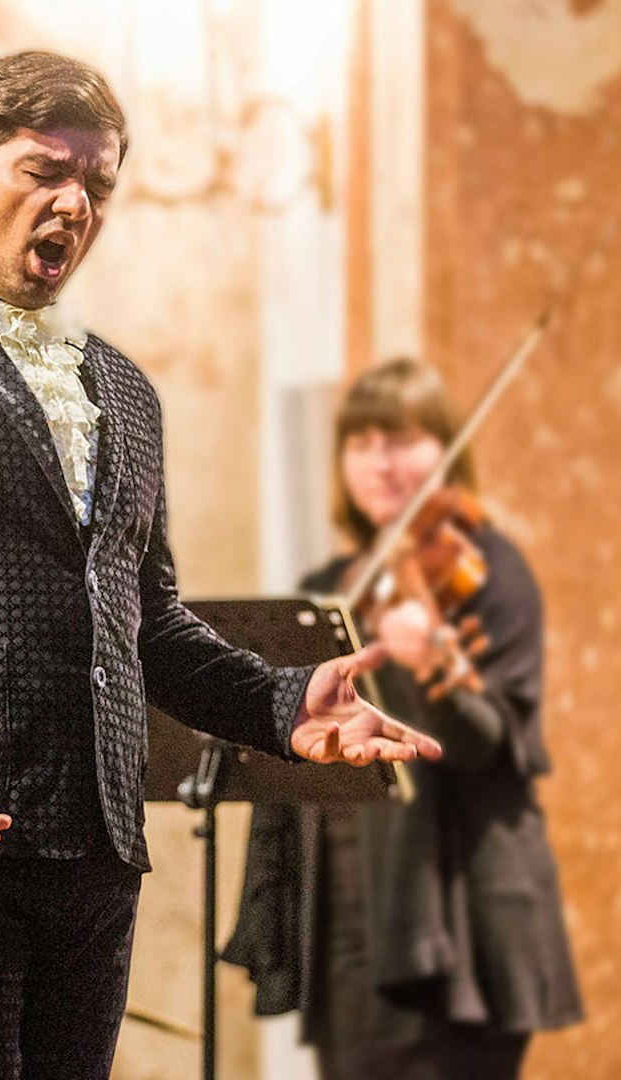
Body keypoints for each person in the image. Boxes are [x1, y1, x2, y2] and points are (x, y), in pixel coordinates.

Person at [0, 50, 443, 1080]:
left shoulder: (121, 388)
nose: (75, 202)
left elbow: (148, 623)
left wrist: (280, 706)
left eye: (99, 183)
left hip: (95, 848)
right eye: (45, 170)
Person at [224, 358, 583, 1079]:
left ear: (446, 449)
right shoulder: (325, 592)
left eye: (403, 440)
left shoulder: (490, 576)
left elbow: (494, 746)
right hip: (348, 921)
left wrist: (432, 666)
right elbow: (284, 754)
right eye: (361, 444)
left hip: (458, 925)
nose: (380, 462)